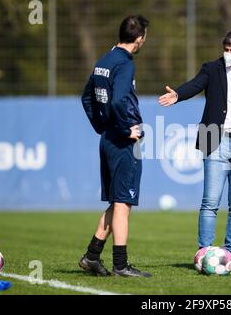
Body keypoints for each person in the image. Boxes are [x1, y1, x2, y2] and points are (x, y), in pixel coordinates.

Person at [159, 29, 231, 270]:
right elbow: (195, 85)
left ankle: (230, 255)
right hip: (215, 140)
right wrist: (178, 94)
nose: (228, 54)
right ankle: (204, 253)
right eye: (226, 49)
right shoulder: (212, 69)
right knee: (210, 201)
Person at [79, 15, 151, 277]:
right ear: (140, 39)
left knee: (116, 202)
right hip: (123, 142)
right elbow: (120, 100)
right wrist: (123, 129)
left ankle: (91, 256)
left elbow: (86, 97)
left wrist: (102, 126)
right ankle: (121, 265)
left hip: (108, 139)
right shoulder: (124, 63)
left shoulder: (104, 60)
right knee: (123, 203)